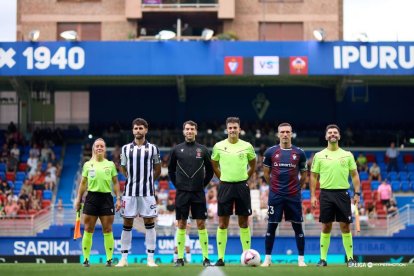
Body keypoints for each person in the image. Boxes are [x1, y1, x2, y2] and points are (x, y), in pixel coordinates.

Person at [310, 124, 360, 267]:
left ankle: (350, 259)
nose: (332, 134)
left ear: (339, 136)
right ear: (326, 136)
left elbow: (355, 175)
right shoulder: (319, 156)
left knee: (345, 226)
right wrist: (313, 196)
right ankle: (323, 259)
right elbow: (313, 177)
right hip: (325, 194)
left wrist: (357, 193)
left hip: (343, 194)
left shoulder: (347, 154)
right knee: (326, 226)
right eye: (330, 132)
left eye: (335, 132)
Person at [211, 117, 256, 266]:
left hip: (242, 186)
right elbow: (214, 164)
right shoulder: (218, 146)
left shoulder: (247, 146)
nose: (232, 130)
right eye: (230, 128)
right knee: (223, 223)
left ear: (239, 128)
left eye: (235, 127)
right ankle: (220, 258)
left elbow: (253, 163)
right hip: (225, 186)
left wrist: (245, 177)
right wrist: (222, 178)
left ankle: (247, 256)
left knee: (244, 222)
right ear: (226, 129)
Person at [168, 120, 214, 267]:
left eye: (192, 129)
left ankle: (206, 258)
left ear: (196, 131)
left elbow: (210, 171)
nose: (189, 131)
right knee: (181, 224)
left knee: (201, 224)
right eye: (187, 129)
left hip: (198, 193)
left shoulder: (204, 150)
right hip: (182, 193)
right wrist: (178, 186)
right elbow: (170, 170)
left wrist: (202, 185)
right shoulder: (176, 150)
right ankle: (180, 258)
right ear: (183, 131)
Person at [261, 123, 307, 267]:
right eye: (282, 132)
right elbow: (266, 174)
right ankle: (267, 259)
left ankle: (301, 260)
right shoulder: (270, 152)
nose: (285, 134)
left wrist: (296, 188)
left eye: (288, 132)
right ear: (278, 134)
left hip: (293, 196)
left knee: (298, 226)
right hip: (275, 196)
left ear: (291, 133)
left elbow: (304, 175)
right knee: (271, 226)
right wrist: (274, 187)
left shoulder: (299, 153)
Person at [117, 118, 161, 267]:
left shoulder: (153, 149)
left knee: (149, 222)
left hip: (147, 192)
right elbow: (123, 167)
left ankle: (150, 258)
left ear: (146, 130)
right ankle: (123, 258)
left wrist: (148, 180)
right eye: (135, 128)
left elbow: (158, 169)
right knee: (127, 222)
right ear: (132, 130)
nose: (138, 131)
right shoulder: (125, 149)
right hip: (129, 192)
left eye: (141, 128)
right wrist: (131, 179)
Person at [74, 138, 121, 267]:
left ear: (105, 149)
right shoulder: (87, 165)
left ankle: (109, 260)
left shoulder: (110, 164)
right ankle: (86, 260)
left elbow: (116, 183)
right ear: (94, 148)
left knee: (108, 229)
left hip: (107, 198)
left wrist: (118, 199)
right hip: (91, 198)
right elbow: (83, 184)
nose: (99, 148)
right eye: (97, 146)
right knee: (88, 228)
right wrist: (78, 199)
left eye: (102, 146)